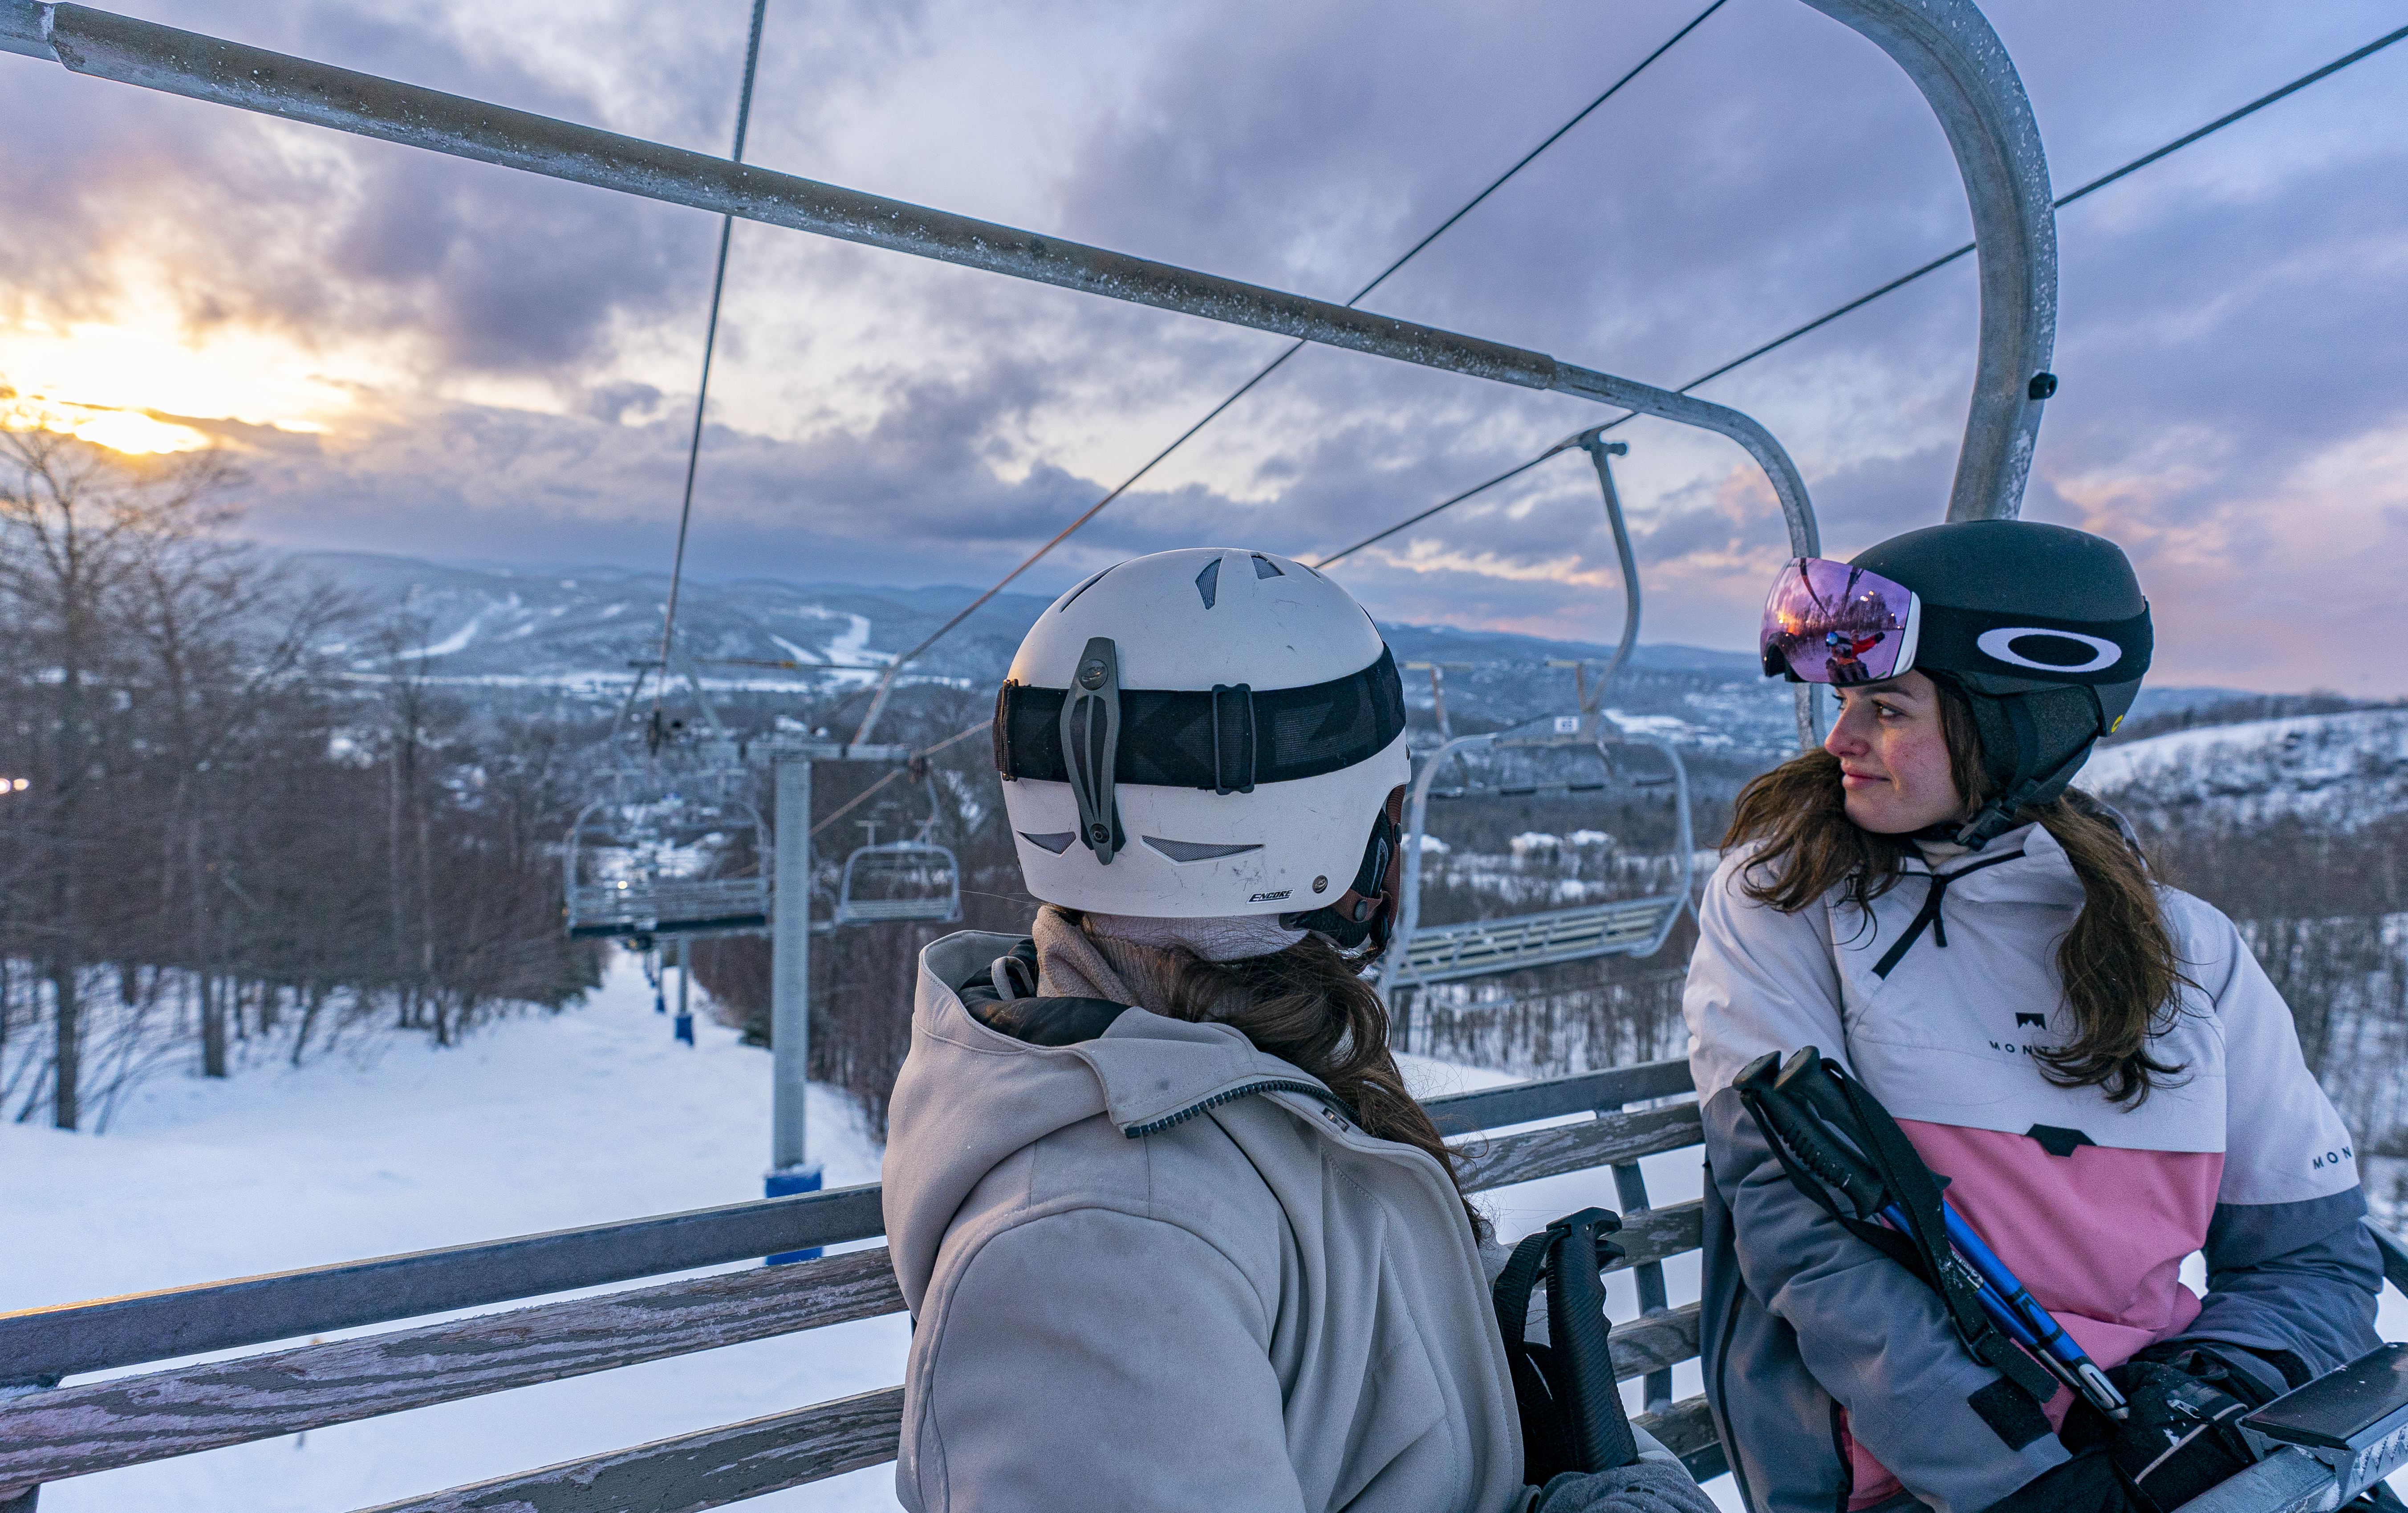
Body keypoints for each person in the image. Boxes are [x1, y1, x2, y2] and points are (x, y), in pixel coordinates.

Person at [881, 548, 1718, 1513]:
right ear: (1351, 838)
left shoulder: (1237, 1070)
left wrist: (1482, 1349)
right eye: (1394, 819)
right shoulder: (1101, 1240)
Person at [1686, 521, 2384, 1513]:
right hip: (1924, 1478)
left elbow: (2309, 1259)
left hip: (2158, 1474)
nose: (1838, 739)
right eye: (1843, 702)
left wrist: (2207, 1401)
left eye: (1883, 707)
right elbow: (1806, 1231)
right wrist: (2024, 1476)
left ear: (2018, 721)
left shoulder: (2187, 952)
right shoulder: (1791, 901)